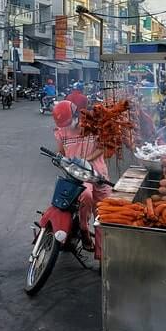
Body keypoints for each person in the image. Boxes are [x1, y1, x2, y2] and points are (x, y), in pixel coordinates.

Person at [52, 100, 109, 259]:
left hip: (98, 173)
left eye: (69, 122)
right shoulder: (61, 132)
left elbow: (103, 146)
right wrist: (63, 161)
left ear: (76, 115)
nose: (67, 127)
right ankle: (84, 229)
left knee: (104, 213)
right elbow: (62, 152)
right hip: (78, 175)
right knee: (86, 196)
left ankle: (102, 257)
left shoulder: (93, 124)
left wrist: (87, 159)